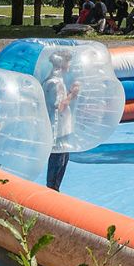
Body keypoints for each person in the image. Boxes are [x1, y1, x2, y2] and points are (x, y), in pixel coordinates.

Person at [41, 50, 81, 191]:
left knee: (62, 162)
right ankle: (52, 193)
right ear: (62, 63)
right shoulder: (53, 82)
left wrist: (70, 92)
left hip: (63, 129)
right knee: (57, 164)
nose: (70, 64)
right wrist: (72, 95)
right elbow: (58, 107)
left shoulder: (58, 80)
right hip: (57, 130)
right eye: (69, 61)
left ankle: (54, 191)